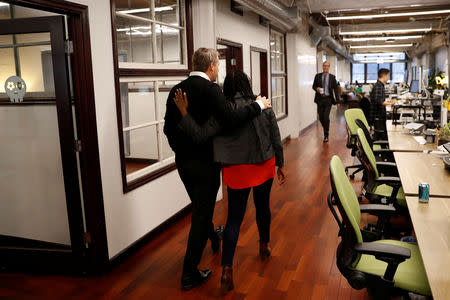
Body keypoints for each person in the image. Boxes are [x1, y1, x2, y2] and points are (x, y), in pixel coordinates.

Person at [163, 48, 271, 291]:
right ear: (211, 66)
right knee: (201, 215)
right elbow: (231, 119)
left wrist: (181, 151)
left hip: (183, 163)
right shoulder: (212, 91)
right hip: (205, 164)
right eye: (218, 66)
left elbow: (167, 129)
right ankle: (189, 273)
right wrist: (257, 104)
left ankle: (213, 237)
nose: (218, 69)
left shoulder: (175, 90)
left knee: (201, 207)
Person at [312, 61, 340, 142]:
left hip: (328, 99)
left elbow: (336, 90)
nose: (325, 67)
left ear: (329, 67)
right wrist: (316, 88)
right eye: (324, 66)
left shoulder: (332, 77)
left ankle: (326, 135)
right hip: (320, 99)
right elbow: (313, 86)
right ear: (322, 67)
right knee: (321, 117)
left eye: (327, 66)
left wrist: (338, 101)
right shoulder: (317, 76)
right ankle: (326, 127)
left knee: (325, 117)